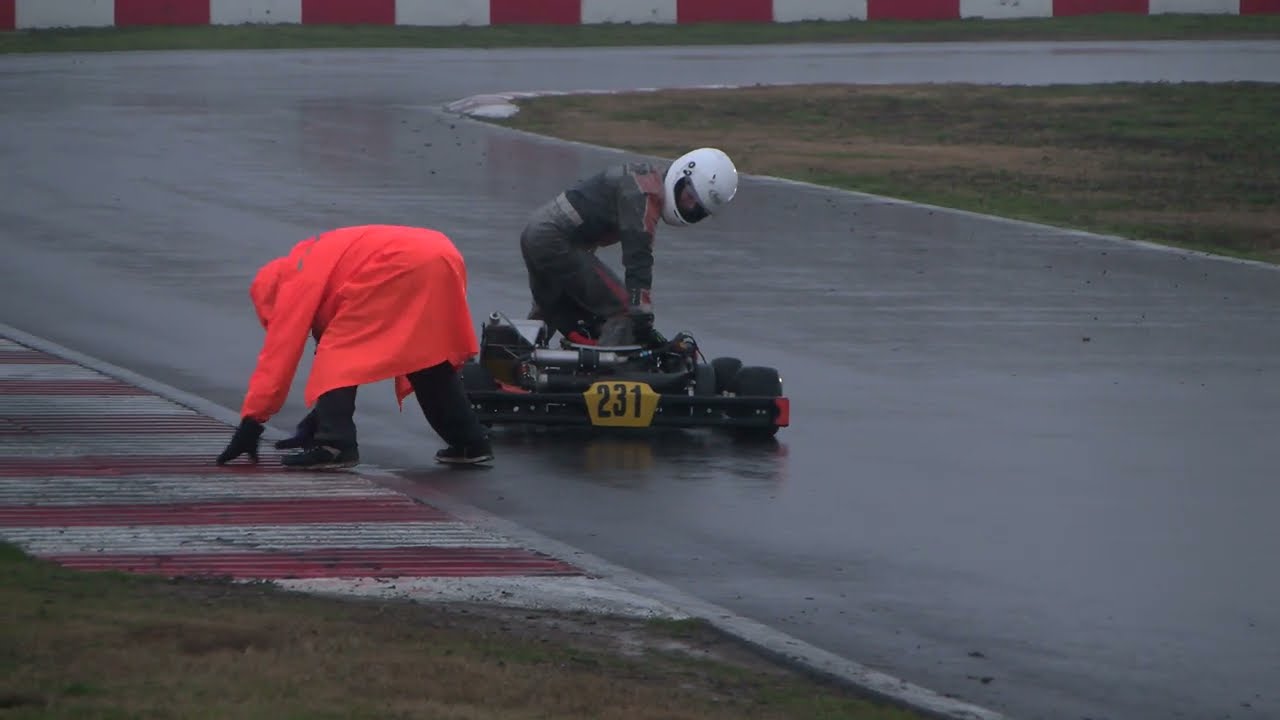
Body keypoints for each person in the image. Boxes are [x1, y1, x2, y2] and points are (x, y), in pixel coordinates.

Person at [214, 224, 495, 470]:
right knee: (426, 360)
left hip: (398, 261)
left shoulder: (295, 281)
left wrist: (252, 423)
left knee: (339, 353)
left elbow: (279, 356)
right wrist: (320, 418)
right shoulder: (312, 258)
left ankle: (335, 446)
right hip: (440, 253)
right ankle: (469, 442)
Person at [520, 147, 738, 347]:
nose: (690, 206)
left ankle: (513, 362)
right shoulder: (645, 193)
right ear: (683, 174)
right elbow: (638, 256)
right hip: (552, 240)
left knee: (551, 310)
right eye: (689, 196)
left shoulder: (644, 177)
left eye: (697, 208)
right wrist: (641, 315)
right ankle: (604, 376)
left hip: (539, 234)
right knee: (623, 311)